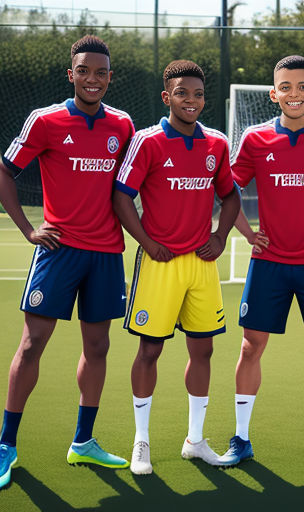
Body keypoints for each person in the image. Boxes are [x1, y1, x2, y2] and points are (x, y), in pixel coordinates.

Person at [0, 35, 135, 488]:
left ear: (110, 77)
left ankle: (83, 441)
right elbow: (6, 169)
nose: (92, 79)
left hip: (106, 255)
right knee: (33, 343)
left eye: (101, 72)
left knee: (98, 347)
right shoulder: (46, 120)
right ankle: (6, 446)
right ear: (71, 74)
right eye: (84, 71)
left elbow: (131, 188)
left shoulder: (124, 126)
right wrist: (27, 229)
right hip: (57, 252)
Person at [217, 55, 304, 467]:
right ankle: (241, 438)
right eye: (286, 87)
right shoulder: (255, 139)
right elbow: (228, 190)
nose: (293, 94)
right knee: (250, 346)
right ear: (273, 93)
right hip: (269, 263)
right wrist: (247, 234)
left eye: (302, 87)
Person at [113, 59, 240, 474]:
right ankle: (141, 442)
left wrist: (220, 237)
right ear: (167, 97)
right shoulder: (148, 141)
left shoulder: (217, 144)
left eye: (198, 94)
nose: (191, 100)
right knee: (150, 349)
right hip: (159, 264)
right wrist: (147, 243)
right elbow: (121, 196)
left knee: (203, 348)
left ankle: (196, 440)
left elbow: (231, 196)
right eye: (182, 93)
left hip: (201, 265)